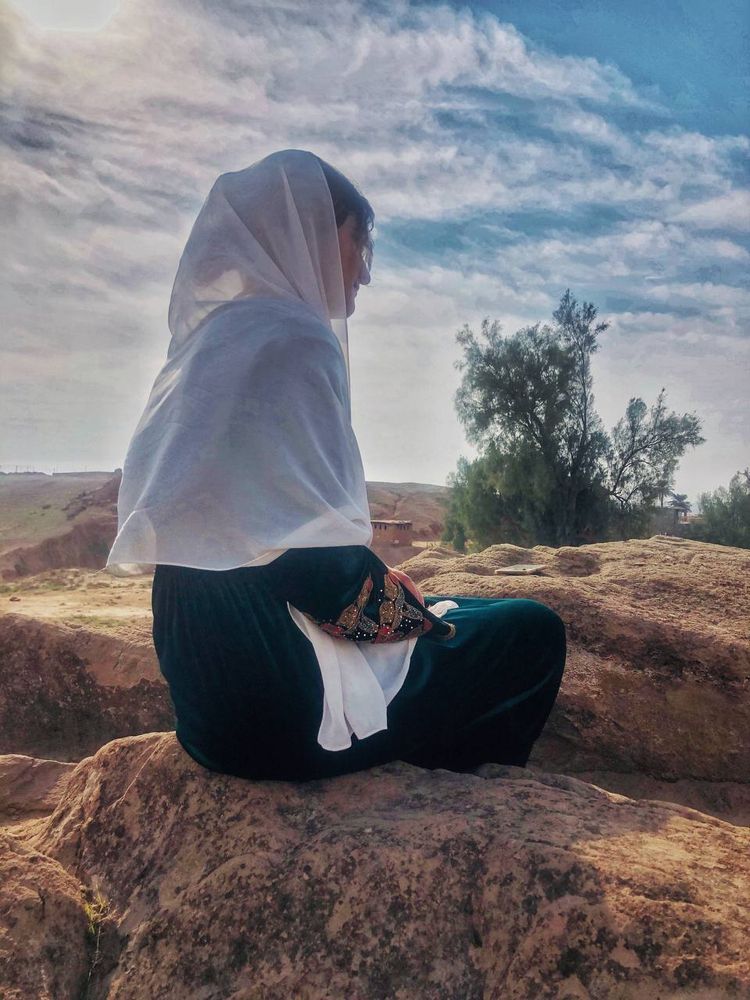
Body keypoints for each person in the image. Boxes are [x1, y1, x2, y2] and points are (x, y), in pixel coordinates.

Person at [106, 149, 566, 782]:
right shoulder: (295, 339)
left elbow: (270, 539)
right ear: (315, 236)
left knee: (459, 613)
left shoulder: (205, 347)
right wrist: (409, 613)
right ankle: (454, 780)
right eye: (359, 241)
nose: (365, 271)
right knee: (531, 631)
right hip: (279, 700)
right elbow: (323, 575)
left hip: (206, 706)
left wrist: (400, 602)